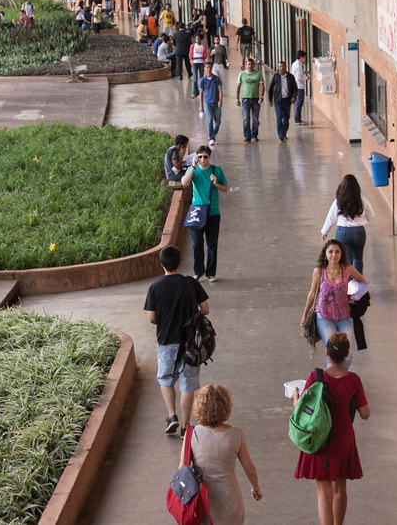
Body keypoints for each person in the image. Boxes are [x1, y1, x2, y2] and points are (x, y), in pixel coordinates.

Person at [292, 332, 370, 525]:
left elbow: (301, 408)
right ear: (346, 355)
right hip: (343, 439)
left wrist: (295, 398)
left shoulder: (316, 377)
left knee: (324, 493)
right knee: (340, 488)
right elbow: (365, 413)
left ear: (326, 352)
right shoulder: (353, 380)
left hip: (320, 438)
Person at [144, 245, 210, 435]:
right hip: (190, 342)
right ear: (179, 262)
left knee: (165, 379)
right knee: (187, 384)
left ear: (161, 264)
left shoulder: (155, 287)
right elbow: (205, 309)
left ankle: (172, 416)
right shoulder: (190, 283)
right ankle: (185, 426)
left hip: (166, 341)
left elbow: (151, 318)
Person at [186, 384, 263, 524]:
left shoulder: (192, 434)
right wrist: (256, 488)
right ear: (226, 406)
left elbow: (182, 469)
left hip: (201, 499)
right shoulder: (236, 435)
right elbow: (250, 469)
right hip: (230, 498)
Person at [300, 240, 367, 368]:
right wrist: (304, 315)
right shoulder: (319, 271)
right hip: (324, 318)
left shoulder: (347, 269)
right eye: (330, 252)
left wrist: (353, 296)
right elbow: (312, 294)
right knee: (333, 353)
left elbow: (363, 282)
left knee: (347, 356)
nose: (334, 255)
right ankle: (331, 383)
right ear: (325, 254)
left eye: (337, 252)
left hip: (344, 317)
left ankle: (339, 379)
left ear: (342, 254)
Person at [180, 145, 228, 282]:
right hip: (197, 212)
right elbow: (184, 183)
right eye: (200, 157)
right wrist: (193, 167)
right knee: (196, 244)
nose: (202, 159)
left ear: (209, 157)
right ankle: (198, 271)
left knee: (212, 244)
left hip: (212, 213)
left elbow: (225, 188)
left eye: (205, 157)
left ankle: (210, 273)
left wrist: (216, 183)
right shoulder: (192, 170)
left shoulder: (216, 171)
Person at [320, 175, 375, 273]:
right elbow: (371, 216)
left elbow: (331, 218)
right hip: (359, 232)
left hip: (343, 232)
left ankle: (348, 283)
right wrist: (363, 219)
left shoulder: (338, 202)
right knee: (358, 258)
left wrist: (325, 231)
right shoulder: (363, 200)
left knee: (346, 261)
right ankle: (358, 285)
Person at [235, 57, 264, 143]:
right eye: (248, 64)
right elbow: (238, 87)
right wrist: (237, 98)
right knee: (246, 118)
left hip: (255, 99)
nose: (250, 66)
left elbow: (262, 85)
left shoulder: (258, 74)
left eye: (251, 64)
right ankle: (247, 136)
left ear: (254, 65)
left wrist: (261, 96)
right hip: (245, 99)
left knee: (255, 119)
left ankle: (254, 134)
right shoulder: (241, 74)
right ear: (245, 65)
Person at [268, 60, 297, 142]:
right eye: (280, 67)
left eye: (283, 66)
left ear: (286, 67)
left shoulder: (291, 77)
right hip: (278, 100)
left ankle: (284, 132)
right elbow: (270, 89)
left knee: (286, 118)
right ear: (278, 67)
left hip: (287, 100)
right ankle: (280, 134)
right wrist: (270, 100)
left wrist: (294, 97)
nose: (282, 68)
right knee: (279, 116)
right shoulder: (275, 76)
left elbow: (295, 88)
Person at [198, 64, 224, 145]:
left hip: (216, 103)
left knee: (218, 121)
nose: (209, 69)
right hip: (207, 103)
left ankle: (213, 133)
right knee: (209, 121)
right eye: (207, 67)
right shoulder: (202, 80)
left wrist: (220, 100)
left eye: (210, 67)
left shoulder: (216, 79)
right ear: (204, 68)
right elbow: (201, 93)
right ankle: (211, 138)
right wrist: (201, 106)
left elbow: (220, 90)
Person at [189, 34, 208, 98]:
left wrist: (200, 58)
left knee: (201, 78)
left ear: (201, 39)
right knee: (195, 78)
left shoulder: (204, 46)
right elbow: (190, 54)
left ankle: (202, 91)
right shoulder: (192, 46)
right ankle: (195, 92)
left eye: (199, 39)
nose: (197, 40)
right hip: (194, 63)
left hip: (201, 63)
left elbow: (205, 56)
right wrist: (191, 60)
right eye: (196, 39)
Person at [292, 50, 308, 124]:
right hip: (299, 87)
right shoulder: (298, 66)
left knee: (298, 103)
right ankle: (297, 120)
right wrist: (307, 78)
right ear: (301, 57)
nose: (305, 59)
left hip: (296, 86)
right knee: (299, 103)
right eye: (304, 58)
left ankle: (298, 119)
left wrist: (304, 72)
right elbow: (299, 78)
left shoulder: (295, 64)